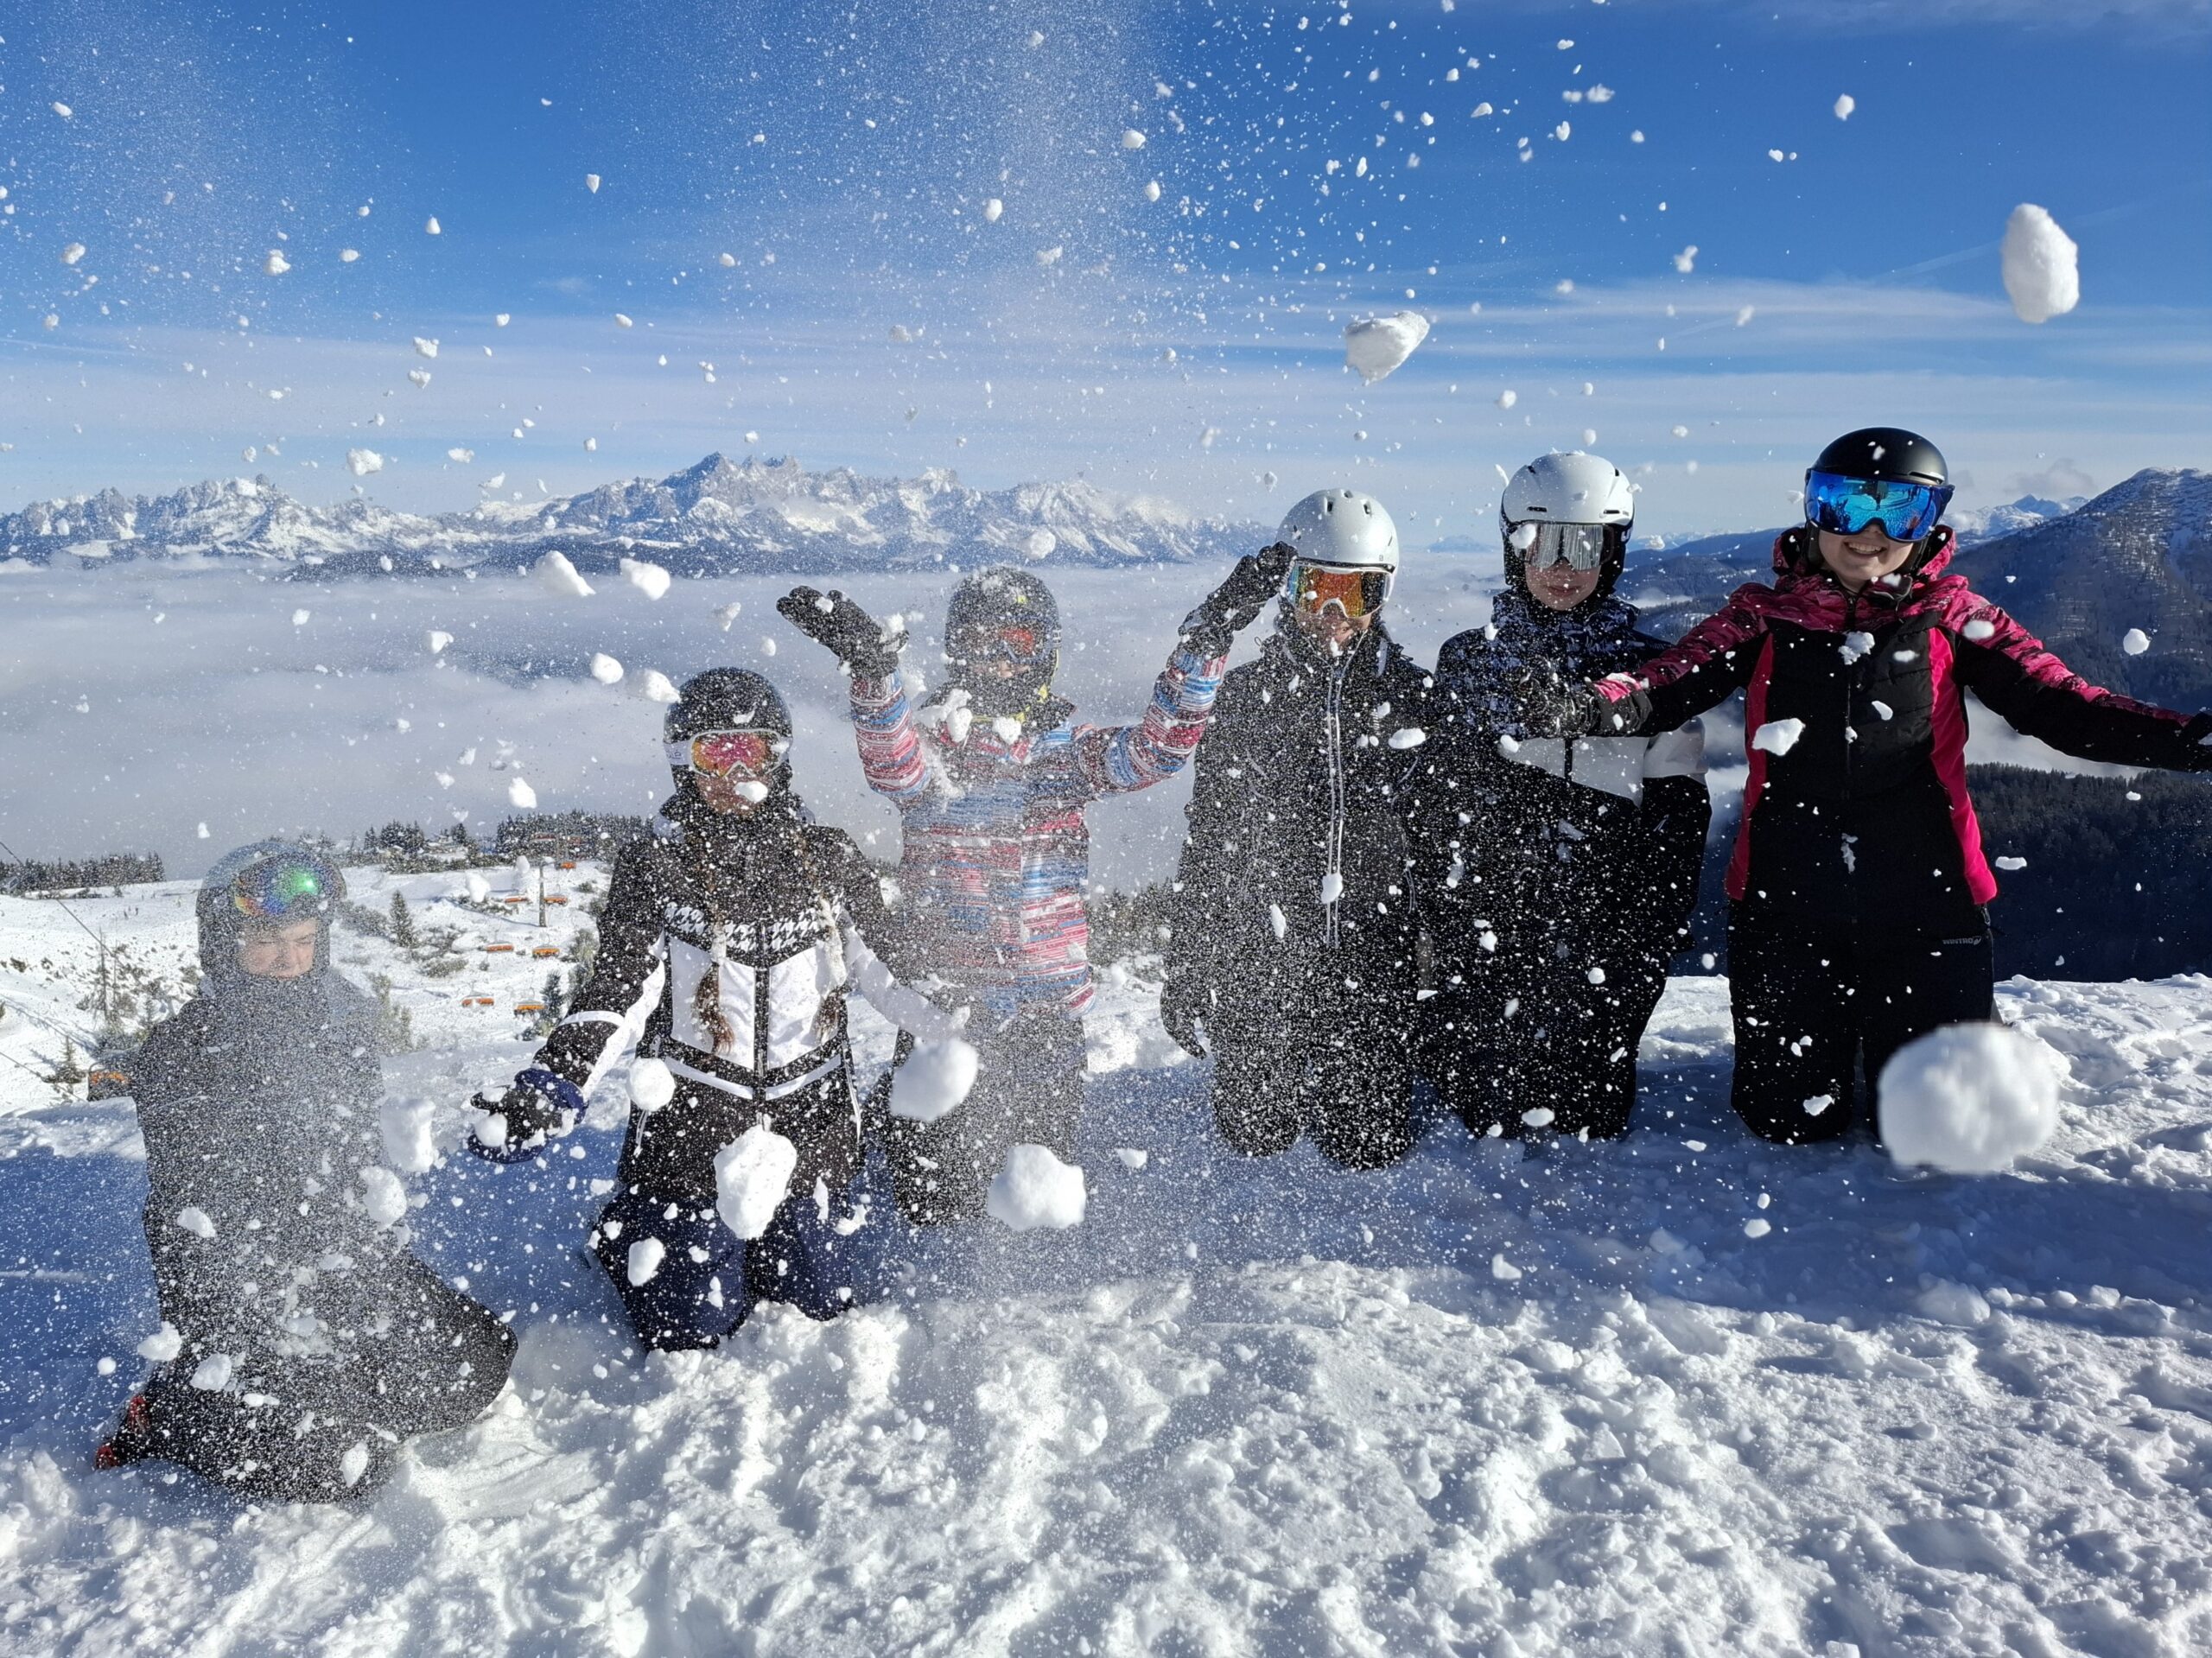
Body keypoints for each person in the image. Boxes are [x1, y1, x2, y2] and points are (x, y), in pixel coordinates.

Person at [1554, 428, 2212, 1140]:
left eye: (1900, 510)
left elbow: (2064, 704)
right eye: (1844, 505)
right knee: (1787, 1122)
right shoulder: (1762, 617)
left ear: (1931, 525)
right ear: (1814, 510)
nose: (1869, 533)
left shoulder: (1956, 619)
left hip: (1929, 903)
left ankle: (1926, 1032)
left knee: (1942, 1129)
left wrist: (2191, 740)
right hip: (1787, 904)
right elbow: (1667, 681)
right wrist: (1589, 707)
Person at [778, 549, 1290, 1223]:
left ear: (1043, 652)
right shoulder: (935, 747)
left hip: (1045, 1014)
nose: (997, 661)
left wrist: (1207, 641)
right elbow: (892, 763)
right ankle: (902, 1167)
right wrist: (875, 672)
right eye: (978, 642)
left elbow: (1156, 750)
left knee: (1034, 1192)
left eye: (1015, 642)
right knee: (934, 1201)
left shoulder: (1066, 752)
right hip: (946, 1005)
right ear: (956, 651)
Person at [470, 669, 966, 1348]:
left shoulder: (827, 858)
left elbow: (891, 968)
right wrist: (554, 1083)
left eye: (752, 750)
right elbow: (619, 989)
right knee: (690, 1325)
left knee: (818, 1301)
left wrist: (965, 1016)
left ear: (779, 757)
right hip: (692, 1131)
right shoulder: (656, 865)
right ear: (684, 762)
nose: (736, 772)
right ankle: (627, 1230)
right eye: (715, 752)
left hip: (811, 1125)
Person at [94, 841, 513, 1501]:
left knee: (476, 1366)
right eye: (267, 940)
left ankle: (340, 1380)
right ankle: (176, 1409)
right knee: (332, 1460)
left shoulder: (340, 1024)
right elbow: (200, 1211)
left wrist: (368, 1263)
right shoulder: (181, 1051)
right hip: (240, 1292)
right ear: (225, 945)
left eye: (305, 939)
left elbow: (360, 1163)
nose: (290, 959)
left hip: (341, 1262)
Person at [1414, 453, 1710, 1141]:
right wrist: (1447, 914)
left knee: (1588, 1117)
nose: (1562, 567)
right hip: (1490, 924)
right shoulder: (1469, 660)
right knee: (1489, 1113)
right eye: (1541, 544)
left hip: (1604, 926)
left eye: (1584, 545)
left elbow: (1679, 815)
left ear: (1614, 553)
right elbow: (1434, 799)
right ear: (1513, 548)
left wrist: (1648, 931)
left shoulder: (1650, 672)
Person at [1160, 489, 1433, 1168]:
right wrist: (1191, 961)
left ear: (1382, 594)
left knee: (1366, 1148)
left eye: (1355, 591)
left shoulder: (1413, 700)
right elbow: (1210, 836)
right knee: (1255, 1139)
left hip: (1371, 957)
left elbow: (1442, 841)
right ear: (1287, 590)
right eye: (1317, 589)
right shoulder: (1244, 698)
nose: (1334, 615)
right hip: (1264, 958)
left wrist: (1445, 954)